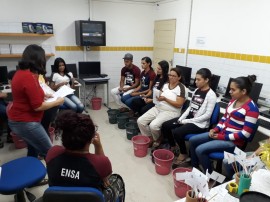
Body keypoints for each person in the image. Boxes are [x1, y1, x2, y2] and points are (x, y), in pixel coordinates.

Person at [46, 110, 125, 202]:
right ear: (91, 139)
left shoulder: (53, 152)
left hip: (58, 198)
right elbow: (105, 179)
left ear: (64, 137)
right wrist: (98, 145)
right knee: (117, 179)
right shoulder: (101, 163)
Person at [189, 75, 259, 173]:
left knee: (200, 150)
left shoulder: (252, 109)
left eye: (233, 90)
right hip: (221, 134)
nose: (230, 92)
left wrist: (221, 137)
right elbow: (224, 118)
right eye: (230, 89)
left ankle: (212, 177)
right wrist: (215, 129)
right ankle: (195, 168)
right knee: (193, 140)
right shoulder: (233, 101)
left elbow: (245, 134)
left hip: (233, 142)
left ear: (243, 91)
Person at [7, 44, 64, 158]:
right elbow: (37, 106)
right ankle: (49, 173)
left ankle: (31, 167)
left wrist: (44, 95)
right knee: (50, 152)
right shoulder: (28, 76)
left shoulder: (22, 73)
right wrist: (57, 102)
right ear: (38, 59)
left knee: (33, 147)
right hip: (25, 122)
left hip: (20, 119)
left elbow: (31, 94)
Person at [161, 68, 217, 165]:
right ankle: (173, 146)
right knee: (166, 125)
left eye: (199, 80)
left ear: (207, 80)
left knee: (177, 132)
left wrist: (187, 121)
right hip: (189, 119)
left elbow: (207, 116)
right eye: (196, 79)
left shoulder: (211, 95)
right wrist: (182, 118)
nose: (196, 82)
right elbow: (190, 107)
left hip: (199, 124)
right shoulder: (196, 90)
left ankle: (183, 153)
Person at [137, 68, 187, 148]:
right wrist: (157, 98)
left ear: (179, 77)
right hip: (159, 107)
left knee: (153, 125)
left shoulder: (181, 88)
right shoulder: (166, 84)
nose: (171, 77)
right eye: (170, 75)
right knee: (140, 121)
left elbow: (179, 104)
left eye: (174, 76)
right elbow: (160, 95)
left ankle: (158, 139)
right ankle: (150, 138)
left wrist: (165, 99)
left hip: (171, 111)